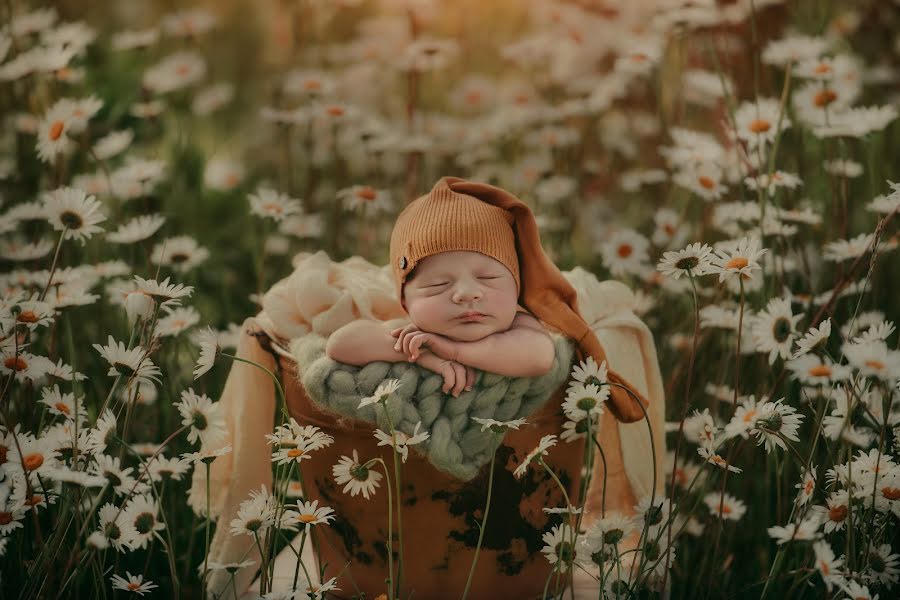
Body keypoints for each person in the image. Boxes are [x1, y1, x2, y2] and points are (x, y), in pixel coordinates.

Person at [326, 175, 648, 423]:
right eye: (437, 285)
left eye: (489, 279)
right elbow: (340, 343)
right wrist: (423, 355)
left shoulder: (520, 324)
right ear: (406, 302)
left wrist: (454, 350)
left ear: (517, 289)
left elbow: (539, 356)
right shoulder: (416, 333)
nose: (468, 293)